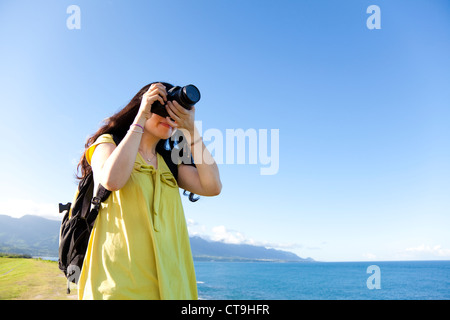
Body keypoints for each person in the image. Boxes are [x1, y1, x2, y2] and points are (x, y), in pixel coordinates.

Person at [75, 82, 222, 299]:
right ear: (142, 106)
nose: (168, 116)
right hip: (119, 287)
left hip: (172, 288)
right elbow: (112, 180)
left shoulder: (170, 164)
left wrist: (190, 130)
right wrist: (141, 117)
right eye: (161, 108)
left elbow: (213, 186)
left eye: (174, 112)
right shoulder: (107, 144)